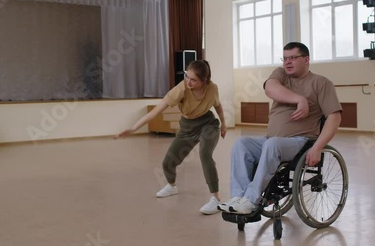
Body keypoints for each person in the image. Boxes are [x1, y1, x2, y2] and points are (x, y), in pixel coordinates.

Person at [218, 42, 342, 214]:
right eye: (284, 58)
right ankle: (238, 197)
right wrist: (300, 99)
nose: (287, 62)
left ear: (306, 59)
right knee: (241, 143)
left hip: (300, 142)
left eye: (293, 58)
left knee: (273, 144)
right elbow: (270, 88)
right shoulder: (281, 75)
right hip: (270, 140)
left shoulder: (321, 83)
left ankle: (251, 200)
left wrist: (318, 147)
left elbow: (334, 118)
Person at [115, 60, 227, 215]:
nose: (188, 81)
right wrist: (134, 128)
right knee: (168, 162)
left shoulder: (212, 88)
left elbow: (218, 105)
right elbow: (156, 111)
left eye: (193, 79)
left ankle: (216, 198)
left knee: (205, 154)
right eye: (187, 76)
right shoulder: (181, 89)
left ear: (205, 80)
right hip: (187, 128)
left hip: (208, 124)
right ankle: (171, 186)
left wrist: (224, 124)